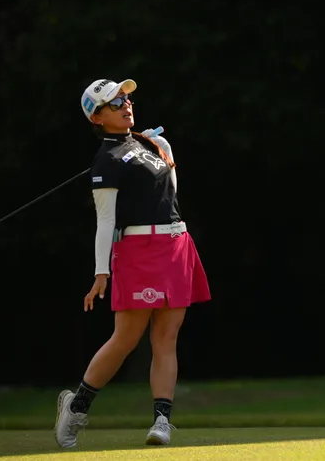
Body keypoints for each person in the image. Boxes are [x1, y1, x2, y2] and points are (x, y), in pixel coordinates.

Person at [54, 78, 211, 448]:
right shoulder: (106, 160)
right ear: (97, 118)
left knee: (166, 338)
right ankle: (76, 408)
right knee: (125, 338)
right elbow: (105, 220)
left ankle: (161, 421)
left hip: (175, 243)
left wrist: (166, 152)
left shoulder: (145, 142)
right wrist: (101, 272)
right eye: (115, 103)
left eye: (126, 98)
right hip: (138, 249)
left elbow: (169, 195)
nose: (126, 105)